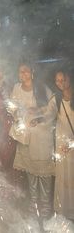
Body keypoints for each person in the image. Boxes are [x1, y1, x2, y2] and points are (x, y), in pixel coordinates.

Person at [9, 61, 54, 224]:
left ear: (32, 72)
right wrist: (16, 113)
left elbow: (52, 110)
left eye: (26, 71)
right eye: (20, 72)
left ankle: (46, 209)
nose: (23, 75)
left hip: (41, 138)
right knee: (30, 173)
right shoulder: (16, 88)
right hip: (25, 137)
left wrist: (38, 112)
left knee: (43, 174)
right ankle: (34, 207)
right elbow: (11, 106)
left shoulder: (42, 88)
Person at [42, 68, 74, 221]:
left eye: (63, 79)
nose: (61, 83)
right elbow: (48, 114)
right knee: (64, 176)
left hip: (72, 144)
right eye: (57, 81)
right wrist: (39, 119)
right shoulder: (56, 98)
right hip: (63, 145)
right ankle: (65, 211)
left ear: (70, 77)